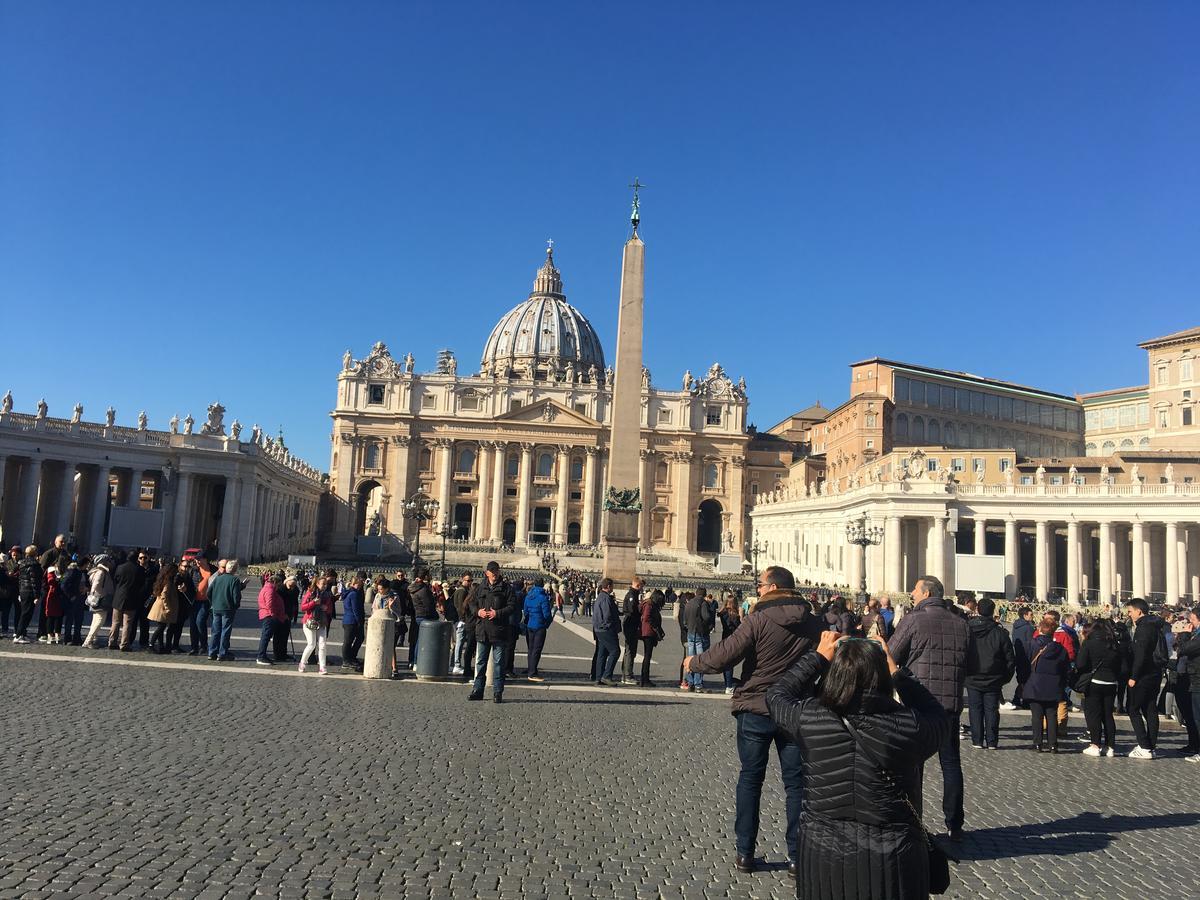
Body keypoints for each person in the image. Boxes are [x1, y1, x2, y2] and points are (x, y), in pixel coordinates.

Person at [766, 630, 951, 899]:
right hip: (893, 857)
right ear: (882, 677)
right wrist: (898, 672)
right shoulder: (909, 726)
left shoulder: (809, 718)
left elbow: (776, 696)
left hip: (822, 853)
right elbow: (938, 716)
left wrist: (817, 658)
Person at [682, 565, 823, 877]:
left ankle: (745, 853)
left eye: (760, 584)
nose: (758, 589)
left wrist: (694, 662)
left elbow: (725, 655)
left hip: (756, 708)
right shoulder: (815, 622)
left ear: (772, 587)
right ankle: (797, 858)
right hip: (796, 711)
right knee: (796, 784)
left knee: (750, 780)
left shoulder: (758, 619)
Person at [889, 575, 970, 841]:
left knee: (914, 764)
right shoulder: (961, 624)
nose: (911, 594)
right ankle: (955, 824)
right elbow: (972, 662)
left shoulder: (913, 620)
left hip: (919, 702)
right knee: (951, 764)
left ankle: (914, 821)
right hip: (950, 704)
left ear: (926, 594)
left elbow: (892, 653)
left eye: (914, 589)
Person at [964, 597, 1015, 750]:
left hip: (972, 676)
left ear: (978, 610)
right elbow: (1010, 659)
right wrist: (1005, 678)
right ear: (993, 611)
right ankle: (992, 741)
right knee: (992, 710)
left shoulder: (967, 630)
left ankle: (977, 740)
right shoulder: (1000, 633)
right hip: (994, 678)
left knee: (975, 709)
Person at [467, 561, 519, 703]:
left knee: (498, 664)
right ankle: (478, 690)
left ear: (499, 572)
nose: (494, 573)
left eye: (496, 571)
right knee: (480, 662)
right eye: (492, 571)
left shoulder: (506, 588)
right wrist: (478, 611)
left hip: (499, 631)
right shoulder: (480, 587)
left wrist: (498, 613)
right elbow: (471, 603)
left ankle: (497, 692)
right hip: (482, 630)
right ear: (487, 573)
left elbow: (512, 606)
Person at [1075, 617, 1127, 757]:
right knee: (1107, 715)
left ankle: (1095, 744)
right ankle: (1110, 746)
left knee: (1094, 715)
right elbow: (1121, 667)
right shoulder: (1114, 645)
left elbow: (1080, 664)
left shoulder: (1089, 643)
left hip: (1095, 682)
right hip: (1111, 683)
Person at [1126, 597, 1167, 759]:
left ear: (1139, 611)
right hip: (1155, 673)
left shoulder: (1143, 628)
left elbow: (1140, 655)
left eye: (1130, 611)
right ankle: (1151, 745)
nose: (1129, 615)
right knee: (1150, 708)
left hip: (1143, 675)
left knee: (1133, 709)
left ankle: (1144, 746)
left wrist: (1133, 676)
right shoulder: (1156, 626)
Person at [1023, 615, 1070, 752]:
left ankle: (1037, 743)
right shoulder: (1060, 649)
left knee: (1037, 715)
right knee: (1052, 714)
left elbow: (1025, 664)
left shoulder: (1032, 644)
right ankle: (1053, 744)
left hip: (1035, 683)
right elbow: (1066, 668)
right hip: (1054, 684)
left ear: (1040, 629)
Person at [1175, 606, 1200, 762]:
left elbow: (1185, 649)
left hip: (1197, 678)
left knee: (1198, 717)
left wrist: (1184, 635)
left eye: (1192, 618)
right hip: (1192, 677)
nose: (1189, 622)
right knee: (1192, 715)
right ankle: (1194, 745)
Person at [206, 558, 242, 661]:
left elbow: (208, 592)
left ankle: (211, 652)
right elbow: (236, 596)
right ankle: (222, 653)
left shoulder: (218, 578)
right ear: (235, 570)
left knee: (215, 631)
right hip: (228, 609)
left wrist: (213, 602)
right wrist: (236, 605)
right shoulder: (235, 580)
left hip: (216, 608)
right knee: (225, 631)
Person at [299, 575, 335, 674]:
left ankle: (322, 667)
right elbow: (303, 607)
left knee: (322, 645)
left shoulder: (327, 595)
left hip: (322, 621)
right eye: (323, 584)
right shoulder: (310, 593)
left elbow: (330, 609)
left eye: (326, 584)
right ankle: (302, 663)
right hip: (310, 621)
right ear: (317, 584)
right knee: (311, 644)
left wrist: (326, 608)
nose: (324, 586)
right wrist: (313, 603)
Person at [108, 550, 142, 652]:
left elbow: (116, 580)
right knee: (127, 623)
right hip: (131, 598)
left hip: (119, 597)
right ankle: (124, 644)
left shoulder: (120, 567)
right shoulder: (139, 569)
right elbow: (141, 583)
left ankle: (112, 642)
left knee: (115, 622)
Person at [683, 588, 716, 693]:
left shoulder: (689, 603)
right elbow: (706, 617)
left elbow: (684, 620)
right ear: (704, 595)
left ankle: (690, 682)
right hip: (699, 632)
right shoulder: (703, 603)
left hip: (690, 632)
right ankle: (698, 684)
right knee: (699, 659)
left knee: (690, 658)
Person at [1001, 606, 1034, 710]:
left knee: (1022, 679)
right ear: (1025, 615)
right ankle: (1023, 700)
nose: (1032, 616)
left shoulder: (1016, 626)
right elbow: (1029, 644)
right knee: (1026, 679)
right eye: (1031, 614)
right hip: (1026, 657)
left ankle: (1018, 698)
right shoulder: (1028, 627)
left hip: (1018, 655)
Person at [146, 561, 182, 653]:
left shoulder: (162, 579)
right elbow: (164, 595)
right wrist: (168, 608)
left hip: (159, 607)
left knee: (161, 627)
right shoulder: (168, 582)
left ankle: (161, 646)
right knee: (161, 628)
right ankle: (151, 644)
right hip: (162, 608)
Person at [522, 577, 553, 682]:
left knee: (531, 649)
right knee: (537, 650)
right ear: (543, 585)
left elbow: (525, 612)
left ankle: (531, 668)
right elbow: (547, 615)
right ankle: (532, 672)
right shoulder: (543, 597)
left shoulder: (528, 596)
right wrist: (546, 624)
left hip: (530, 625)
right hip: (539, 626)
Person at [82, 554, 115, 648]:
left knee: (95, 620)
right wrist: (94, 593)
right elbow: (96, 584)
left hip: (97, 597)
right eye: (108, 561)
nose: (110, 563)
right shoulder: (101, 572)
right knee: (100, 620)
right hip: (101, 598)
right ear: (104, 562)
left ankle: (92, 640)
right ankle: (88, 640)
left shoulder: (96, 571)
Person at [591, 577, 620, 685]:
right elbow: (607, 615)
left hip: (599, 629)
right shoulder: (606, 598)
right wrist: (611, 626)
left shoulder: (601, 597)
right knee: (615, 651)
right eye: (612, 586)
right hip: (605, 629)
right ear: (608, 586)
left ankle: (599, 677)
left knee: (602, 653)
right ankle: (607, 676)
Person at [256, 574, 288, 666]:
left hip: (269, 615)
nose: (279, 587)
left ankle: (262, 655)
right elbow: (270, 604)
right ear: (275, 582)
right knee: (265, 637)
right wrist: (274, 615)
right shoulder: (270, 590)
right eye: (279, 584)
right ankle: (261, 656)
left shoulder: (268, 588)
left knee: (266, 637)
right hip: (270, 616)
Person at [408, 568, 437, 668]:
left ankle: (413, 661)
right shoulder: (423, 590)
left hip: (417, 615)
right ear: (425, 577)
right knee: (421, 641)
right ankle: (417, 661)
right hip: (425, 616)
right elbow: (428, 605)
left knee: (417, 639)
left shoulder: (413, 587)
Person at [189, 554, 215, 656]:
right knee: (192, 624)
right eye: (196, 560)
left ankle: (203, 646)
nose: (197, 562)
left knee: (200, 621)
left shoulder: (213, 570)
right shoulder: (194, 570)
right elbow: (188, 582)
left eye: (199, 560)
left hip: (206, 601)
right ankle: (194, 647)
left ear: (205, 559)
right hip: (194, 600)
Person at [620, 577, 643, 686]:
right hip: (631, 625)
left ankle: (626, 673)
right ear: (638, 585)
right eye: (641, 586)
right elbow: (632, 610)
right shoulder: (632, 595)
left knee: (629, 651)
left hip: (630, 624)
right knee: (630, 651)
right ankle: (627, 675)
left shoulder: (632, 594)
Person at [638, 588, 664, 687]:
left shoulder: (649, 603)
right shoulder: (649, 605)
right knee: (647, 656)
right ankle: (645, 679)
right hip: (648, 633)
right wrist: (655, 627)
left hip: (647, 632)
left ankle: (644, 678)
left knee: (647, 656)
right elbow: (646, 617)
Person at [717, 595, 742, 695]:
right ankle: (729, 685)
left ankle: (728, 684)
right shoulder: (735, 615)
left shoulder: (723, 613)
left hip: (724, 637)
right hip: (733, 638)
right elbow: (739, 627)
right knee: (730, 664)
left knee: (725, 663)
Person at [276, 574, 300, 662]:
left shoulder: (296, 590)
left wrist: (295, 617)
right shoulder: (281, 589)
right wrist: (283, 613)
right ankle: (278, 655)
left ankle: (283, 653)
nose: (291, 587)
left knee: (285, 635)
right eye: (290, 585)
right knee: (278, 635)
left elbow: (295, 603)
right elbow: (278, 603)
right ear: (286, 582)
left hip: (289, 614)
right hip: (280, 614)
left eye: (293, 586)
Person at [42, 567, 64, 644]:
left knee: (59, 615)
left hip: (59, 594)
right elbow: (50, 580)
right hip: (51, 594)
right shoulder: (51, 569)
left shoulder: (62, 569)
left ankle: (57, 634)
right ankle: (50, 635)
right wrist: (58, 579)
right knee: (50, 615)